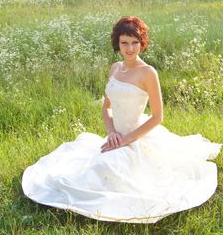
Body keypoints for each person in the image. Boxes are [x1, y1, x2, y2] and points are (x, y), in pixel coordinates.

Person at [22, 16, 221, 223]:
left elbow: (157, 117)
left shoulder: (148, 73)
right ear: (117, 43)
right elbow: (106, 108)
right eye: (124, 42)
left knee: (107, 168)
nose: (130, 48)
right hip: (114, 136)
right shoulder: (115, 68)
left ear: (142, 43)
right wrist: (111, 133)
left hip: (136, 138)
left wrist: (125, 141)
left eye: (135, 42)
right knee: (76, 173)